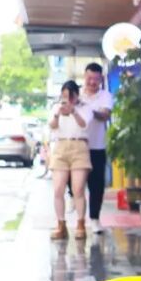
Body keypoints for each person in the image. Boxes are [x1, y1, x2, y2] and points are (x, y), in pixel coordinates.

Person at [48, 80, 93, 241]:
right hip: (61, 146)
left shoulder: (85, 107)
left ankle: (81, 224)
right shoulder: (56, 107)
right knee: (58, 188)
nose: (68, 100)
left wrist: (73, 111)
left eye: (71, 96)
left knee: (78, 188)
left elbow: (84, 125)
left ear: (76, 95)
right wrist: (58, 114)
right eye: (65, 96)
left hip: (79, 146)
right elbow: (52, 126)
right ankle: (61, 224)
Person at [80, 61, 114, 234]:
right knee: (76, 183)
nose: (92, 82)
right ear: (84, 77)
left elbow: (105, 115)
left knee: (96, 186)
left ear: (101, 79)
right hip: (78, 146)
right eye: (89, 78)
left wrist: (90, 111)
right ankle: (79, 218)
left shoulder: (105, 96)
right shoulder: (77, 94)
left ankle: (94, 219)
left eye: (96, 79)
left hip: (97, 147)